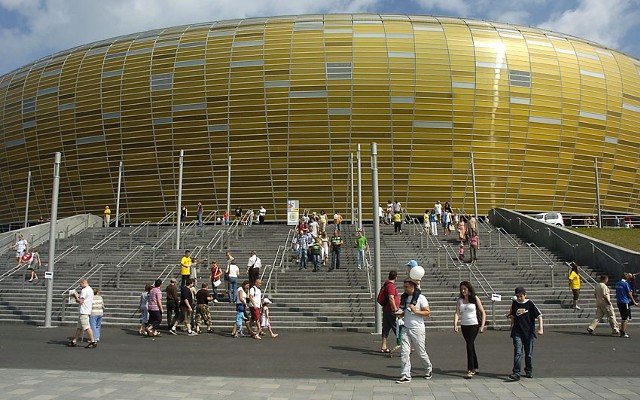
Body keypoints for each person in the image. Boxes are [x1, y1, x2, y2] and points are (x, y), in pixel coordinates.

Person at [396, 278, 433, 383]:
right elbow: (404, 312)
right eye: (404, 287)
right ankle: (405, 375)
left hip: (417, 328)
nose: (405, 289)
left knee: (421, 352)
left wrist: (415, 310)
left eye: (406, 287)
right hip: (406, 327)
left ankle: (428, 368)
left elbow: (427, 312)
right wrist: (399, 314)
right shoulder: (404, 298)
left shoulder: (421, 298)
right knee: (404, 352)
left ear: (412, 287)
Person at [508, 287, 543, 380]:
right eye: (517, 296)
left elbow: (539, 316)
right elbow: (513, 316)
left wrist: (540, 328)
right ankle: (516, 372)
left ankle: (528, 370)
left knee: (528, 353)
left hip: (528, 332)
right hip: (517, 332)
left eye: (521, 296)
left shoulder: (530, 304)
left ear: (525, 295)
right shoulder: (515, 304)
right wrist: (511, 325)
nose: (519, 298)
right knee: (518, 352)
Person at [453, 281, 486, 379]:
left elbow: (483, 312)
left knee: (469, 345)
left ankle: (470, 369)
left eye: (465, 289)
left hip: (474, 325)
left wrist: (482, 326)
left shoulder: (475, 299)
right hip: (464, 325)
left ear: (469, 289)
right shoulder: (460, 300)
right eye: (462, 289)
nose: (463, 291)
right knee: (471, 345)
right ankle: (475, 366)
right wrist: (455, 324)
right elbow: (457, 312)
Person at [67, 278, 97, 348]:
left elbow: (81, 301)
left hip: (84, 311)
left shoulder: (84, 290)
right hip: (87, 310)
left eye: (80, 284)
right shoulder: (90, 289)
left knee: (86, 327)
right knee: (79, 327)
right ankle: (74, 341)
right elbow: (84, 299)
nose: (80, 286)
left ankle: (93, 341)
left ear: (83, 283)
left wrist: (75, 295)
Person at [380, 270, 401, 353]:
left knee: (386, 328)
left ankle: (383, 346)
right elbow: (391, 298)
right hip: (390, 310)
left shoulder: (386, 285)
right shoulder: (391, 286)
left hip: (386, 310)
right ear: (396, 277)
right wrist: (395, 309)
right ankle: (405, 346)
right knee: (397, 328)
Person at [616, 272, 638, 338]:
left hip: (619, 301)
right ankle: (623, 332)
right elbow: (629, 293)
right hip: (625, 302)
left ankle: (622, 330)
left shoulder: (617, 283)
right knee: (626, 318)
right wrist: (634, 302)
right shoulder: (626, 284)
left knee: (623, 317)